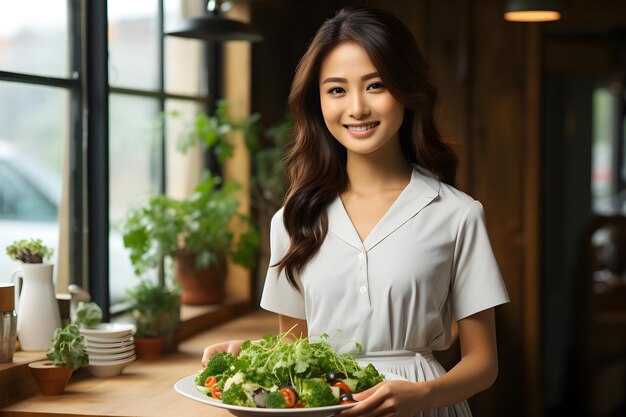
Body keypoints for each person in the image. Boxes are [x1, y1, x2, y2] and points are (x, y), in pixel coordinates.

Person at [202, 7, 509, 417]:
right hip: (324, 407)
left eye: (376, 85)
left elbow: (483, 364)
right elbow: (296, 349)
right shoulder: (293, 220)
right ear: (318, 103)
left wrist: (425, 395)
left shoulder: (457, 214)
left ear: (405, 90)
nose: (357, 107)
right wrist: (249, 356)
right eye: (337, 90)